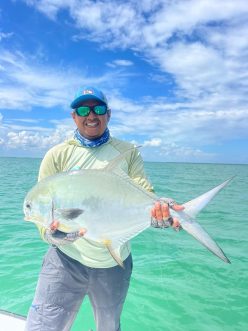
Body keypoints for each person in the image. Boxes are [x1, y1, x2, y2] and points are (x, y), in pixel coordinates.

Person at [25, 86, 183, 331]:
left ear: (108, 114)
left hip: (113, 262)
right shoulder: (56, 155)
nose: (91, 115)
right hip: (65, 261)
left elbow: (143, 193)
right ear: (73, 116)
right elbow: (42, 212)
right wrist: (49, 234)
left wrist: (161, 209)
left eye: (98, 109)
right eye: (83, 109)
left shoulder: (127, 152)